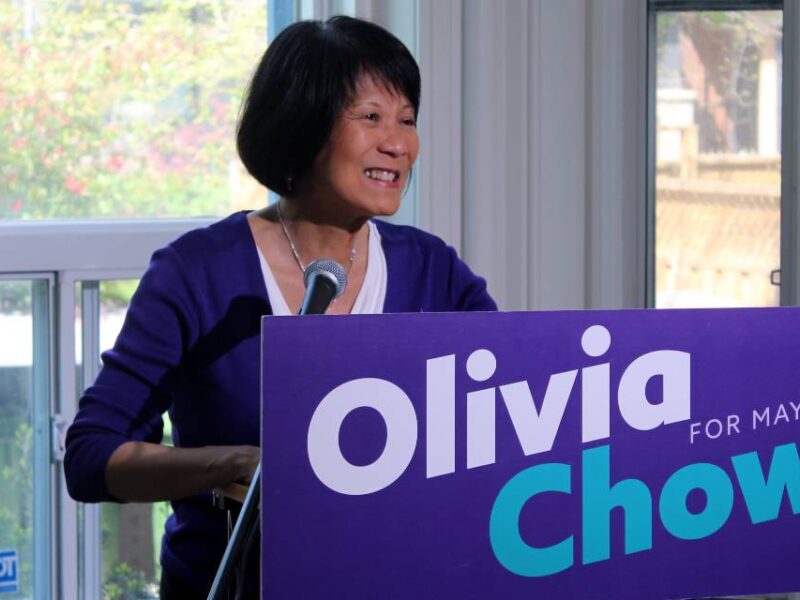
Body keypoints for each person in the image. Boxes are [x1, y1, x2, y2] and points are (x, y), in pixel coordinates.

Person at [64, 15, 497, 599]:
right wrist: (232, 465)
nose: (398, 143)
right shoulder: (198, 272)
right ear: (302, 125)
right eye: (370, 117)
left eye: (408, 120)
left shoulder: (433, 271)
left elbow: (507, 420)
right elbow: (91, 457)